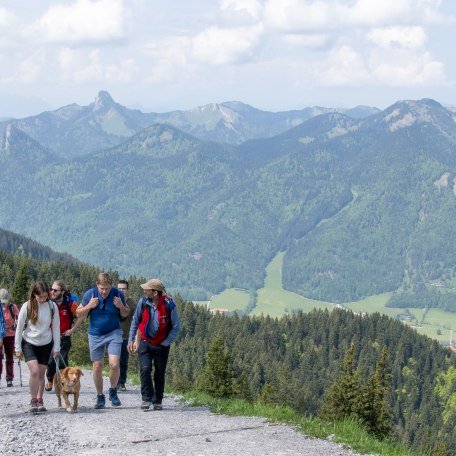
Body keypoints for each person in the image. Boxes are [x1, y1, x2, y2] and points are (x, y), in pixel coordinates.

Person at [76, 272, 129, 409]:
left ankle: (113, 391)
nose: (104, 291)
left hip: (114, 332)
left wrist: (120, 306)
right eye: (102, 288)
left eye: (107, 288)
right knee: (97, 366)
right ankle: (100, 395)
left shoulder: (118, 294)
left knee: (114, 365)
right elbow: (78, 313)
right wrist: (89, 306)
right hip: (95, 334)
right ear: (97, 285)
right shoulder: (90, 294)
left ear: (111, 286)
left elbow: (125, 313)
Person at [128, 278, 180, 410]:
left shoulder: (169, 305)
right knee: (145, 369)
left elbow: (176, 326)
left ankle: (158, 400)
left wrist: (166, 342)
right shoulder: (143, 302)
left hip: (161, 344)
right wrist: (131, 339)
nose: (145, 291)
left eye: (147, 289)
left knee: (159, 372)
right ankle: (146, 399)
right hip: (145, 341)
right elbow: (136, 322)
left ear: (155, 292)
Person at [14, 282, 60, 413]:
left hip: (46, 343)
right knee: (34, 371)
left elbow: (55, 327)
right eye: (40, 296)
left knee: (41, 373)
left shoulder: (52, 307)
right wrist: (17, 348)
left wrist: (56, 347)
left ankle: (40, 400)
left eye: (45, 296)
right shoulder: (27, 306)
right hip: (29, 342)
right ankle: (33, 400)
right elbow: (19, 328)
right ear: (34, 295)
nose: (43, 299)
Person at [45, 280, 83, 392]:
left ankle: (63, 382)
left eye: (55, 290)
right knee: (51, 361)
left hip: (64, 337)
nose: (52, 292)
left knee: (62, 360)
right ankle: (51, 379)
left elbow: (80, 316)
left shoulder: (70, 304)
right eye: (51, 289)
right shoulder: (48, 303)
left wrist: (72, 330)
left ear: (62, 291)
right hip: (50, 337)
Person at [117, 279, 135, 391]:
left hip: (126, 336)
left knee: (123, 361)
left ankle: (122, 382)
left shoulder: (132, 303)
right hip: (113, 335)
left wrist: (134, 338)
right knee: (114, 361)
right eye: (119, 288)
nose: (121, 290)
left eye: (123, 288)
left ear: (127, 290)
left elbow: (136, 320)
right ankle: (115, 382)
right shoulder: (113, 301)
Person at [0, 288, 19, 387]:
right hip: (0, 335)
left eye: (5, 302)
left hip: (10, 335)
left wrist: (17, 324)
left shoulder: (13, 307)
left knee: (10, 358)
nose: (4, 304)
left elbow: (18, 318)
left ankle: (9, 379)